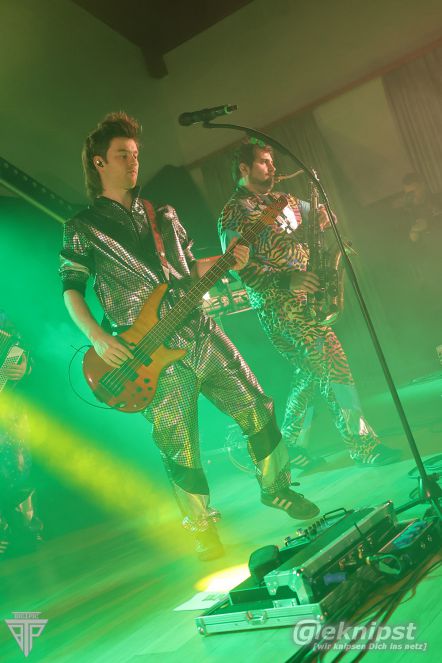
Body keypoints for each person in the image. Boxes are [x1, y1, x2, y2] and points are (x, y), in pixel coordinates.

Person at [59, 113, 319, 561]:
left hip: (199, 329)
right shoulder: (83, 227)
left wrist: (227, 260)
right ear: (99, 163)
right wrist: (98, 337)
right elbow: (70, 289)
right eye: (123, 155)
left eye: (136, 154)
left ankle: (276, 488)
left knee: (257, 405)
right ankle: (201, 529)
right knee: (179, 444)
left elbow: (187, 270)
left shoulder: (163, 213)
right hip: (147, 351)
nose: (133, 162)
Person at [218, 141, 403, 471]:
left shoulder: (285, 199)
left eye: (272, 162)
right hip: (278, 305)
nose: (272, 167)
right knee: (333, 363)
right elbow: (238, 268)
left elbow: (322, 217)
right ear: (244, 169)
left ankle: (289, 444)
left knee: (310, 371)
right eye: (264, 162)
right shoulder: (234, 212)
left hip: (307, 299)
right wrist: (285, 280)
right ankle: (362, 446)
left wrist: (322, 215)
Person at [0, 309, 42, 555]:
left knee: (17, 468)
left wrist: (25, 367)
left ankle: (21, 526)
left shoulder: (4, 318)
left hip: (9, 410)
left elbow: (22, 348)